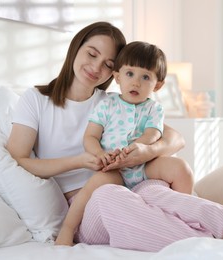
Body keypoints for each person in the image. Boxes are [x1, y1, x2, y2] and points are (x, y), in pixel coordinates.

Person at [6, 21, 223, 252]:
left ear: (115, 73)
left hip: (129, 181)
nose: (96, 68)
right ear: (76, 48)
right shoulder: (36, 100)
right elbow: (19, 159)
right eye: (90, 54)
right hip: (86, 203)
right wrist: (79, 159)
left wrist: (145, 150)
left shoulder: (113, 100)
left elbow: (174, 138)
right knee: (110, 194)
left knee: (167, 195)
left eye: (107, 64)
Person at [55, 41, 194, 246]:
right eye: (129, 74)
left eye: (145, 77)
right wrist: (100, 154)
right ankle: (67, 229)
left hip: (144, 164)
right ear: (117, 77)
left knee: (181, 167)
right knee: (92, 187)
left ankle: (185, 216)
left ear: (157, 85)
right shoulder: (107, 104)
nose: (136, 82)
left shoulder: (153, 108)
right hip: (113, 168)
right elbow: (90, 137)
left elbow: (153, 133)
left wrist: (139, 148)